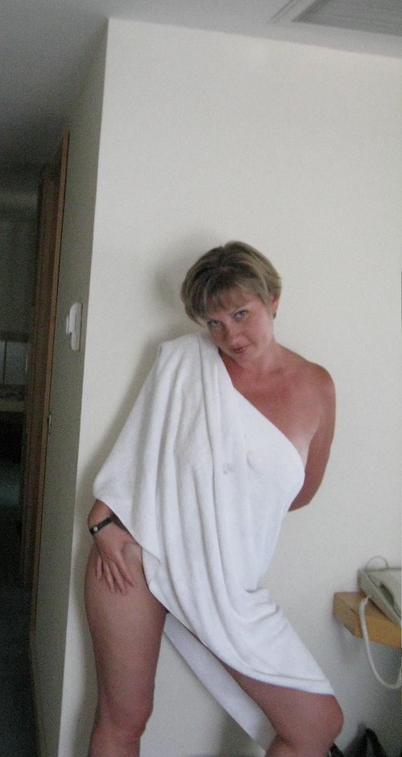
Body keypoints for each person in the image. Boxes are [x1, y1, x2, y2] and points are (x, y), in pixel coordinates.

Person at [85, 241, 343, 757]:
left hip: (225, 579)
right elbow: (135, 456)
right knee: (124, 718)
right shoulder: (184, 363)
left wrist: (218, 521)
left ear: (273, 300)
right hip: (132, 555)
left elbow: (299, 493)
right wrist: (102, 525)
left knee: (317, 725)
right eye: (215, 323)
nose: (230, 336)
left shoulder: (316, 387)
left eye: (241, 314)